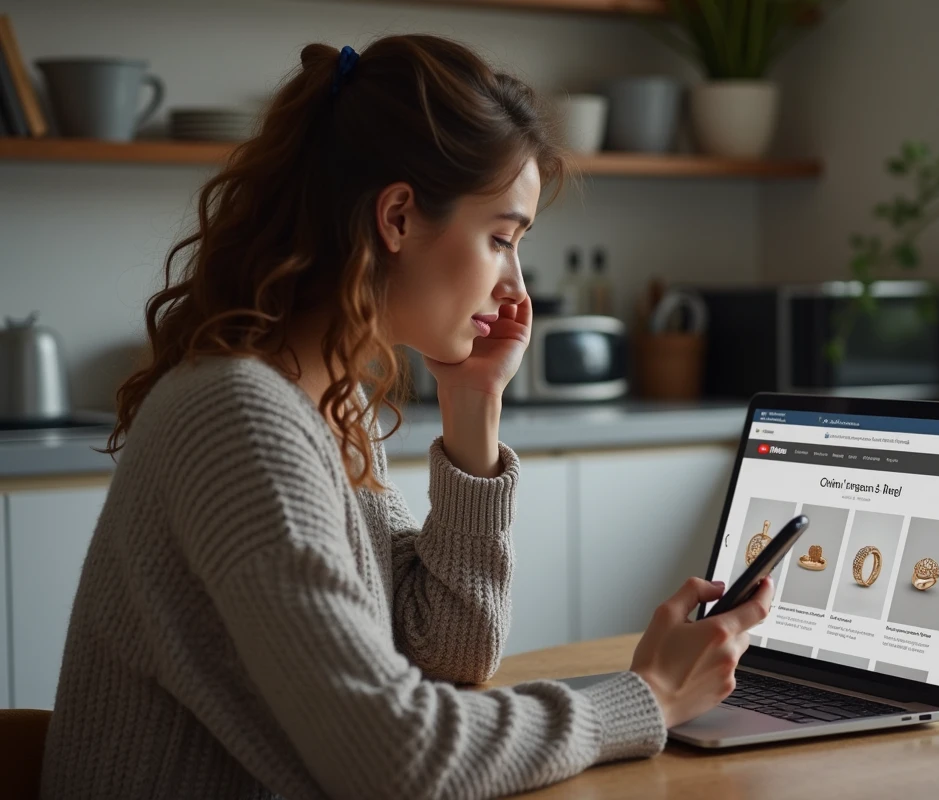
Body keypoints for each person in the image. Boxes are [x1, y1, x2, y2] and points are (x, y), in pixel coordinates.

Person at [38, 35, 772, 800]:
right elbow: (395, 759)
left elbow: (442, 651)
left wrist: (472, 404)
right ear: (396, 217)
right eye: (500, 238)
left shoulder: (326, 400)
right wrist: (644, 699)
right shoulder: (241, 418)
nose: (516, 287)